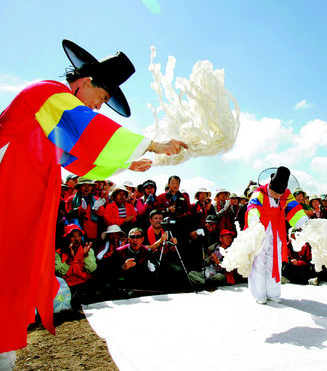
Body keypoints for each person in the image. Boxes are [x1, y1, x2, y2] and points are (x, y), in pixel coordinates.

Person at [0, 39, 188, 355]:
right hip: (8, 180)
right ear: (86, 82)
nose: (99, 106)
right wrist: (152, 144)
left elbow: (77, 156)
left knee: (12, 267)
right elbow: (87, 130)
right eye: (101, 97)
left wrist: (128, 161)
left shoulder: (56, 112)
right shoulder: (48, 94)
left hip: (23, 191)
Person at [246, 166, 308, 304]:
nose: (277, 196)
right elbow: (252, 207)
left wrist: (304, 224)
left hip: (277, 232)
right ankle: (259, 294)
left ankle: (273, 292)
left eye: (280, 194)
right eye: (274, 193)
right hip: (261, 230)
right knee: (259, 261)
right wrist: (255, 222)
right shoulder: (259, 192)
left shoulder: (286, 194)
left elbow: (295, 210)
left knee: (275, 262)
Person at [55, 224, 97, 308]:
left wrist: (85, 256)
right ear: (66, 238)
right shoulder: (58, 253)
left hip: (84, 286)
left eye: (79, 236)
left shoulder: (87, 250)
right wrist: (69, 260)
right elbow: (59, 272)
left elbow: (92, 269)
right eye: (73, 236)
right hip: (66, 287)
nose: (76, 239)